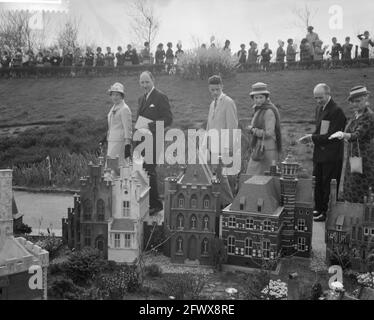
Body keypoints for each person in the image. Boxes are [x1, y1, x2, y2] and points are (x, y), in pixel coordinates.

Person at [299, 84, 346, 222]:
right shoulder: (319, 108)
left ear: (328, 94)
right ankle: (319, 208)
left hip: (332, 155)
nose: (318, 101)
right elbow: (320, 131)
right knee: (318, 181)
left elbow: (333, 136)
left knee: (328, 184)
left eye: (320, 97)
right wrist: (311, 137)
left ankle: (327, 212)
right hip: (319, 154)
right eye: (316, 98)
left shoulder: (337, 111)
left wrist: (312, 138)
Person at [329, 86, 374, 203]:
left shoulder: (369, 116)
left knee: (362, 188)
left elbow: (357, 135)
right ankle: (350, 214)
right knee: (350, 185)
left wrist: (344, 135)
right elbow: (349, 132)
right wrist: (344, 136)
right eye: (352, 101)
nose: (354, 104)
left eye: (358, 101)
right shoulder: (355, 115)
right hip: (353, 157)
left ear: (366, 99)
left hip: (365, 159)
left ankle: (362, 217)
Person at [136, 71, 173, 215]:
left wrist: (150, 126)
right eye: (142, 82)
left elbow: (168, 119)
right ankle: (149, 202)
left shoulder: (160, 97)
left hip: (154, 139)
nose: (145, 85)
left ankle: (156, 204)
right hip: (142, 140)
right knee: (143, 170)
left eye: (147, 82)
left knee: (150, 170)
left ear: (153, 81)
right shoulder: (141, 99)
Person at [206, 75, 239, 203]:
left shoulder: (228, 102)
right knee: (217, 179)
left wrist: (229, 148)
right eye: (212, 90)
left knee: (226, 181)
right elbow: (209, 126)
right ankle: (220, 206)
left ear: (222, 87)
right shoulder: (211, 104)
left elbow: (233, 126)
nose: (215, 92)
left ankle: (230, 207)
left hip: (224, 149)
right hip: (213, 149)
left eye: (217, 90)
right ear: (209, 89)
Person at [246, 82, 282, 175]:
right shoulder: (258, 109)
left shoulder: (269, 111)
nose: (258, 100)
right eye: (256, 98)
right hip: (260, 147)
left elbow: (269, 133)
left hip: (267, 149)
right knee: (254, 175)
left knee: (264, 176)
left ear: (266, 97)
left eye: (261, 97)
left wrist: (253, 130)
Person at [106, 82, 132, 164]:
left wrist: (127, 144)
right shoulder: (114, 107)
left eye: (117, 95)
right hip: (112, 141)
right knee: (111, 166)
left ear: (121, 96)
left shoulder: (124, 109)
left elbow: (127, 128)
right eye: (113, 94)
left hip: (120, 142)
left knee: (116, 166)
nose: (115, 97)